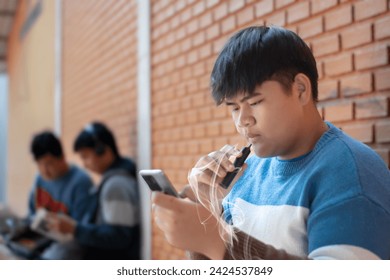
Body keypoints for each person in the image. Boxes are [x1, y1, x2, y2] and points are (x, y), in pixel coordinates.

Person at [152, 25, 390, 260]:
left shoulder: (351, 173)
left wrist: (217, 241)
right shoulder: (244, 172)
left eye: (254, 103)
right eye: (234, 108)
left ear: (300, 89)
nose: (242, 121)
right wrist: (206, 209)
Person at [47, 122, 140, 259]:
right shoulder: (115, 178)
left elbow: (119, 237)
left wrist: (75, 229)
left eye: (85, 156)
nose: (84, 164)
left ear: (103, 150)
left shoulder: (116, 186)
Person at [1, 131, 94, 259]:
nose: (44, 170)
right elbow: (32, 215)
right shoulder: (39, 179)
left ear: (62, 157)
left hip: (66, 244)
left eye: (49, 163)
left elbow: (83, 230)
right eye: (39, 164)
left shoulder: (80, 182)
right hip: (40, 238)